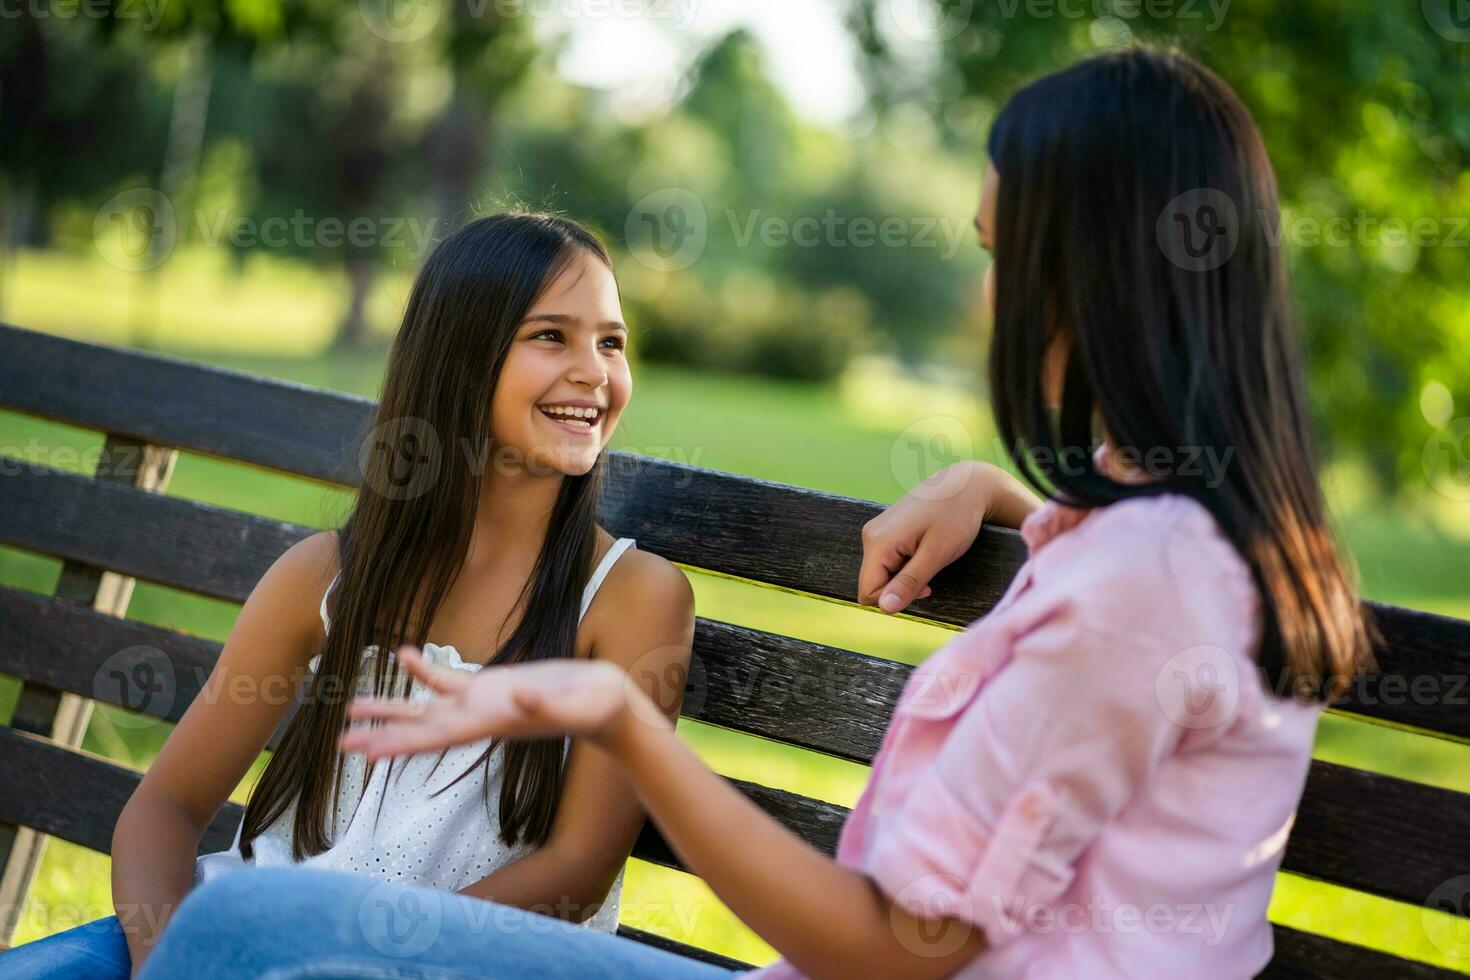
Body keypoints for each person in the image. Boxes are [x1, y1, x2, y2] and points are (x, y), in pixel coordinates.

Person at [138, 47, 1374, 979]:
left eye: (1004, 250)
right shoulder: (1166, 538)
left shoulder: (1144, 575)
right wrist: (996, 491)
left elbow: (905, 945)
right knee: (214, 926)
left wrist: (626, 722)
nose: (980, 293)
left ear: (1092, 272)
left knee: (258, 919)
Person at [0, 213, 693, 979]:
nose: (595, 370)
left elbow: (577, 872)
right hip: (230, 940)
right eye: (552, 336)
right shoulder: (325, 579)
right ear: (460, 356)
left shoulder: (632, 599)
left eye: (612, 342)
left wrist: (349, 954)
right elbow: (162, 811)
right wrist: (167, 964)